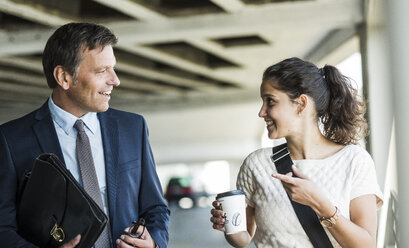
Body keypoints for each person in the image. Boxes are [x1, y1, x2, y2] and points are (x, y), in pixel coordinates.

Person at [0, 22, 169, 248]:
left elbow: (155, 208)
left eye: (113, 68)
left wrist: (154, 243)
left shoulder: (133, 127)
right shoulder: (10, 140)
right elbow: (3, 229)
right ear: (64, 77)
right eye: (102, 71)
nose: (115, 80)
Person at [210, 57, 383, 248]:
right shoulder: (256, 164)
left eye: (270, 101)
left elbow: (367, 245)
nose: (261, 112)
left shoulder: (354, 160)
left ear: (301, 104)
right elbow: (244, 239)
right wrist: (228, 226)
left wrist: (321, 204)